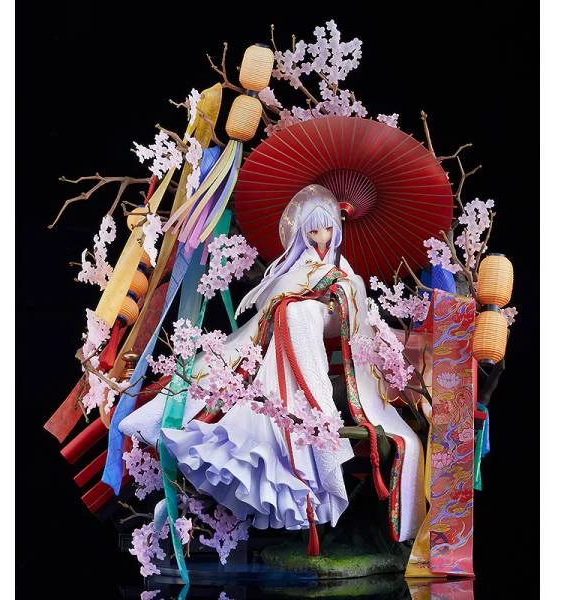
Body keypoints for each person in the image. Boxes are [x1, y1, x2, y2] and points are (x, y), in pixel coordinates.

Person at [119, 184, 426, 540]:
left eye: (327, 228)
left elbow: (354, 305)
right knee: (290, 314)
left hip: (329, 328)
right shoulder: (296, 264)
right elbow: (274, 299)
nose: (321, 236)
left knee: (298, 313)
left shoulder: (340, 265)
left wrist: (339, 287)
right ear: (302, 233)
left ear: (337, 228)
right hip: (287, 347)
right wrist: (307, 292)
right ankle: (293, 411)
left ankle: (315, 413)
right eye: (313, 230)